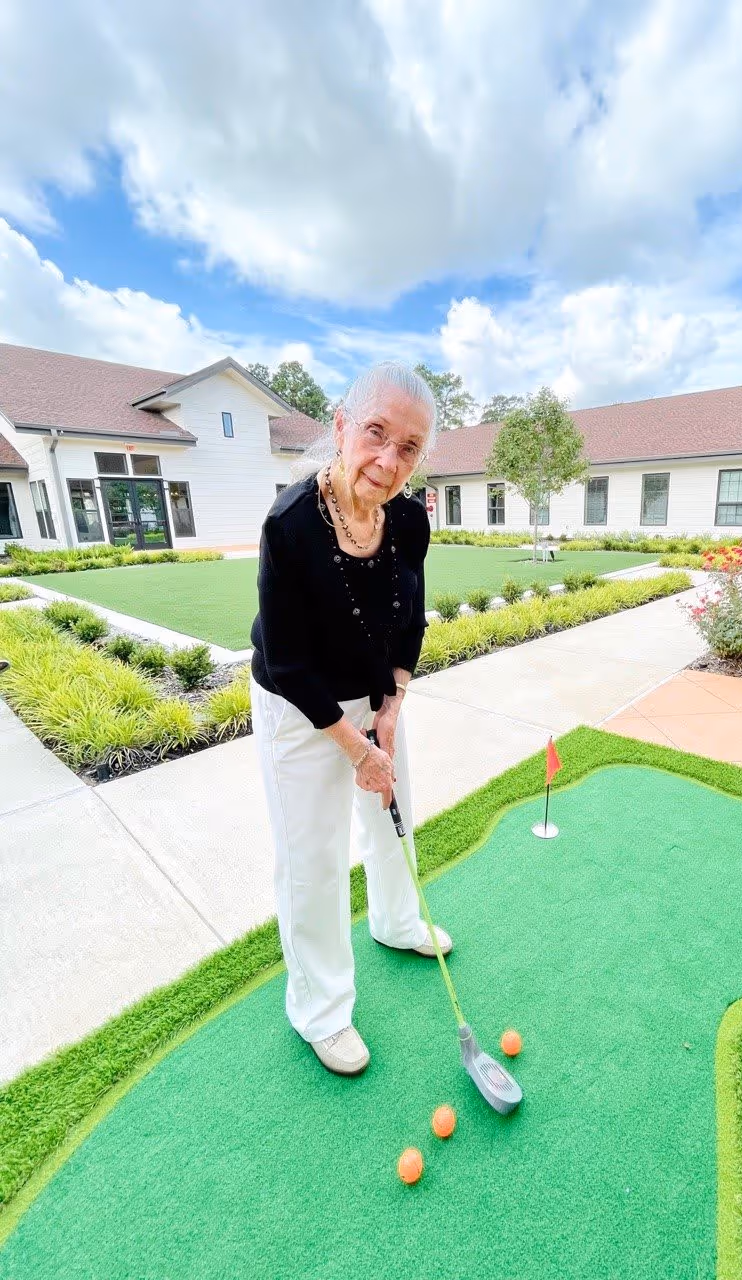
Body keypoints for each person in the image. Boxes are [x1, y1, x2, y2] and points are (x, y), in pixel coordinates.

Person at [250, 362, 450, 1078]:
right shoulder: (290, 524)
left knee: (394, 812)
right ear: (340, 425)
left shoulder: (406, 519)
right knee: (315, 860)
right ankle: (321, 1009)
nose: (389, 460)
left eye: (409, 447)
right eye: (376, 433)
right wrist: (352, 746)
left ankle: (398, 922)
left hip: (371, 693)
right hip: (297, 708)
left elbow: (408, 623)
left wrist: (392, 708)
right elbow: (289, 661)